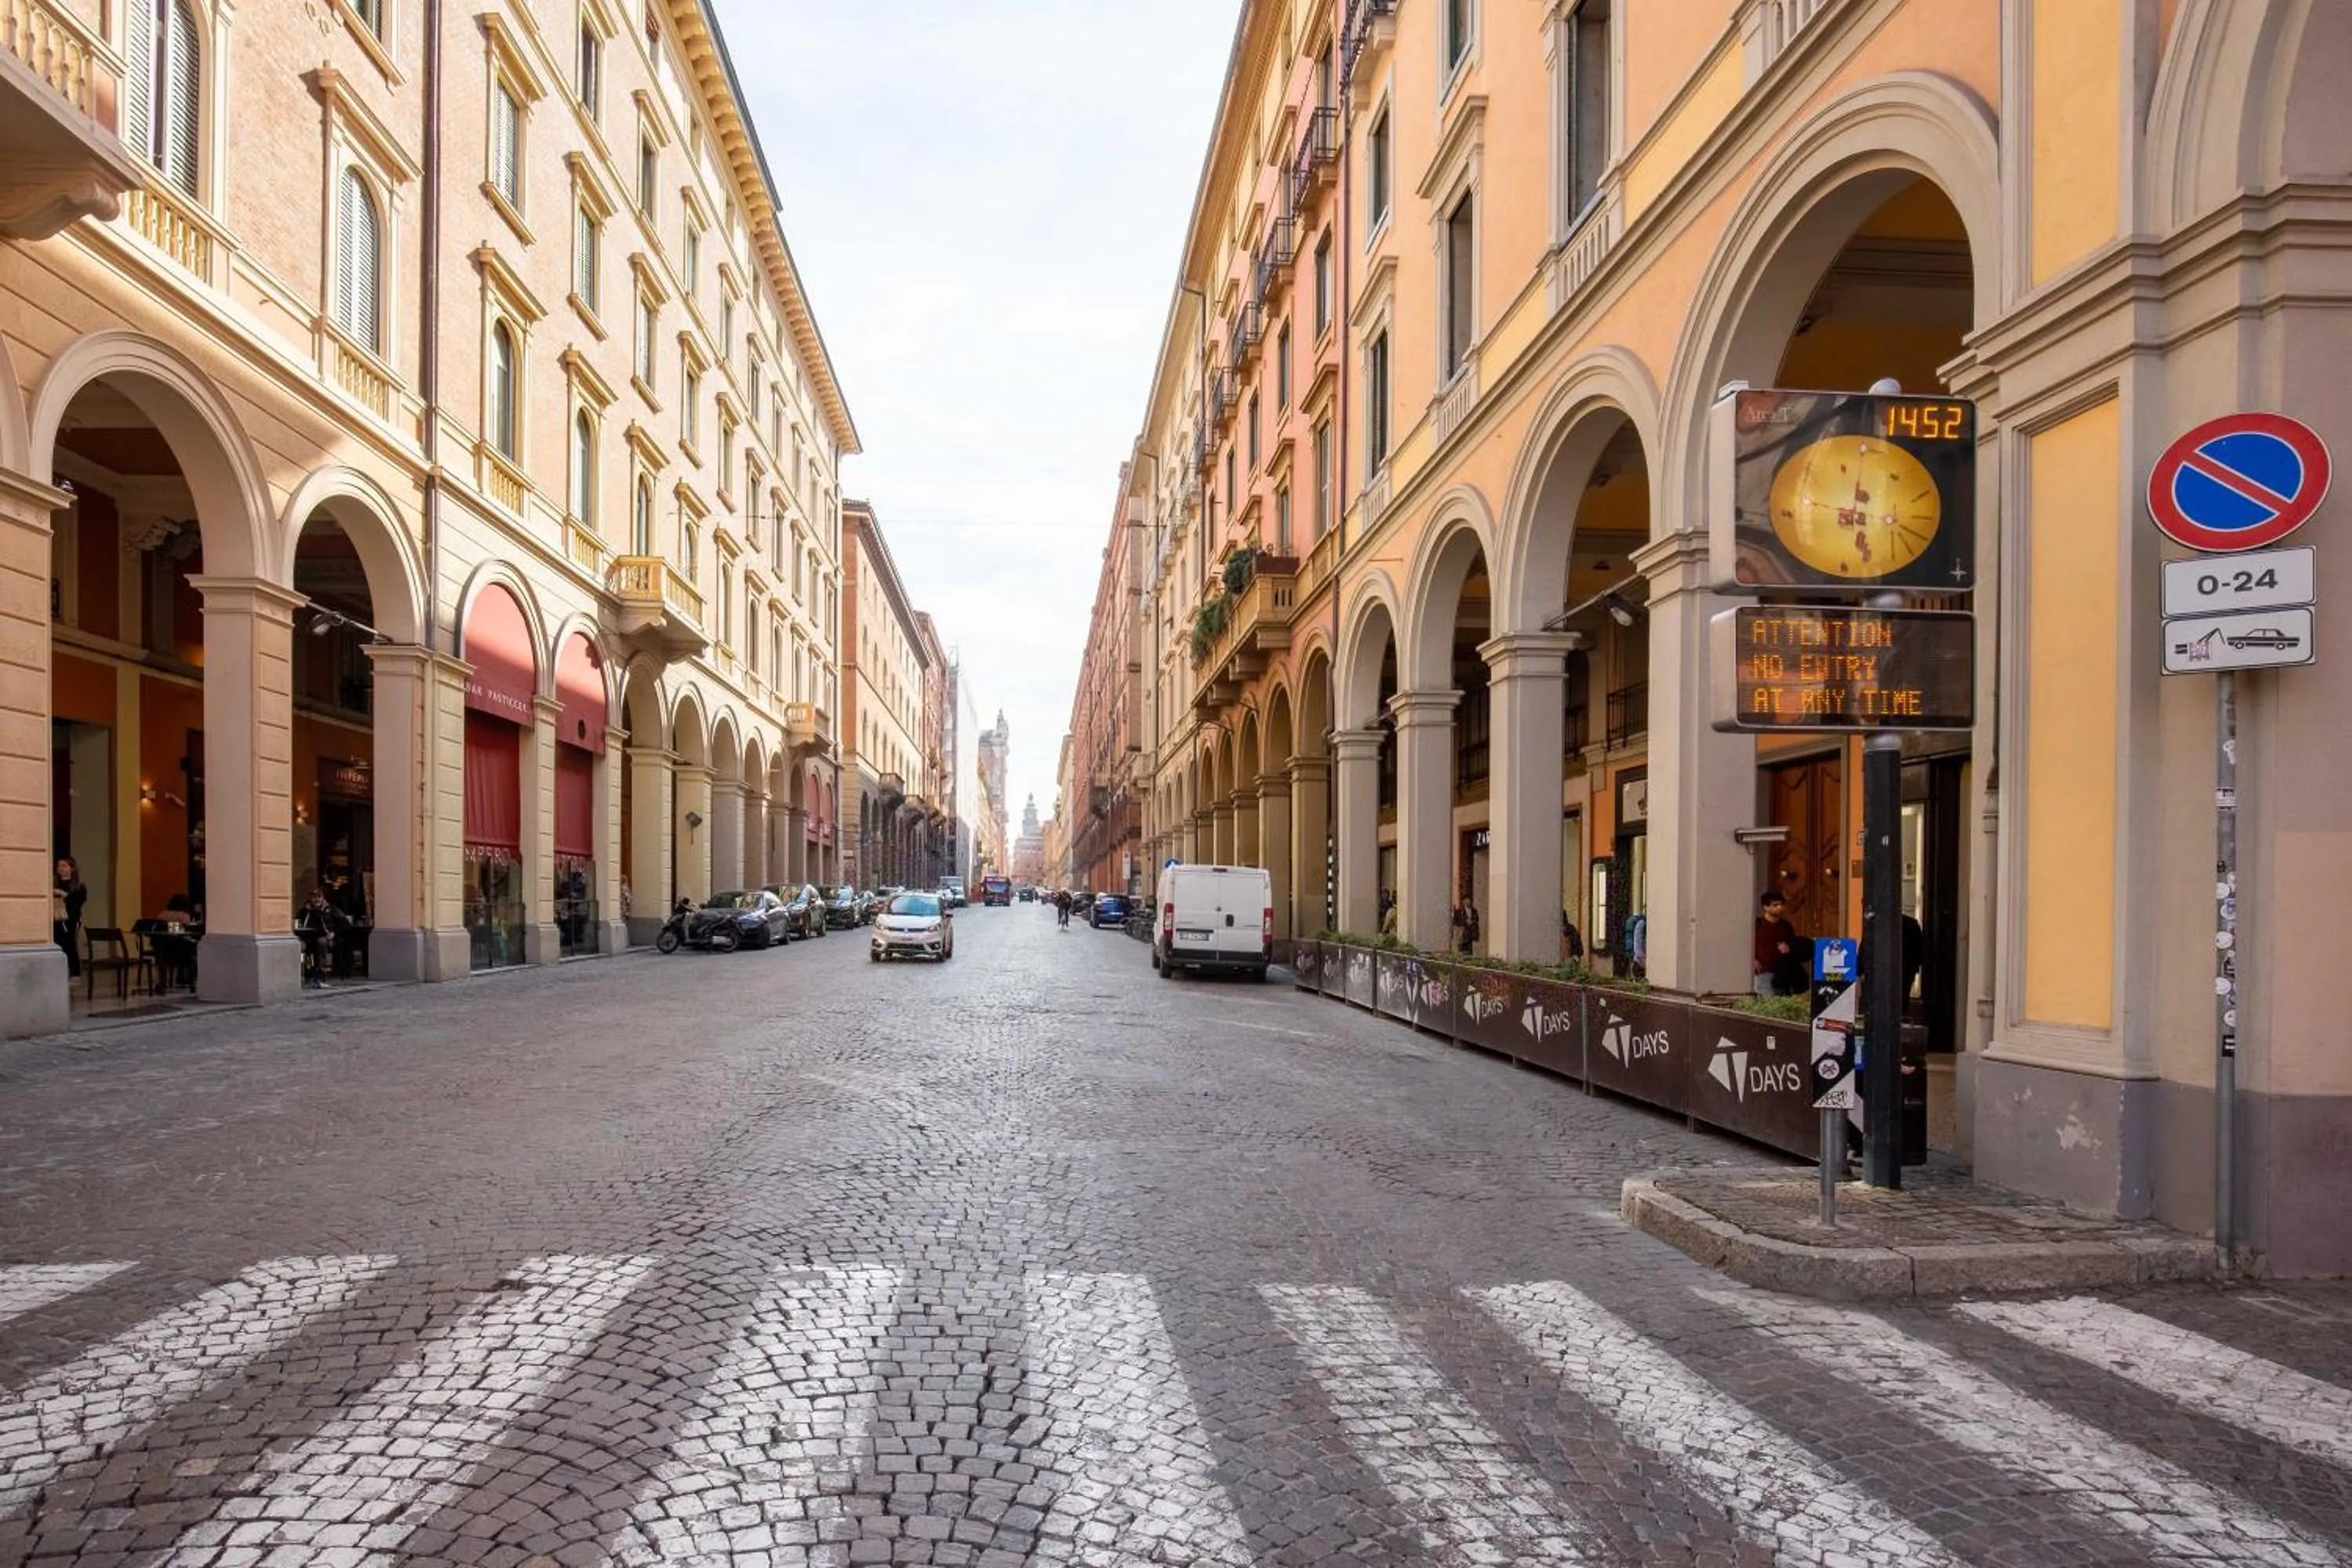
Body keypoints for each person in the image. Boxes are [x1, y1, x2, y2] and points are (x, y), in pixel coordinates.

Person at [1754, 891, 1807, 996]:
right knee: (1768, 1002)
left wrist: (1789, 949)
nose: (1779, 908)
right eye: (1775, 905)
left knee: (1782, 1001)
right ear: (1766, 907)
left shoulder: (1786, 926)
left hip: (1782, 973)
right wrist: (1753, 960)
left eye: (1781, 904)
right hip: (1763, 971)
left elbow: (1794, 945)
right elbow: (1745, 944)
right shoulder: (1757, 925)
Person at [294, 887, 347, 988]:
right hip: (308, 938)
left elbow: (343, 922)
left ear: (323, 898)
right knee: (298, 946)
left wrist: (334, 933)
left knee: (321, 943)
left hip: (326, 938)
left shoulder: (330, 909)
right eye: (314, 897)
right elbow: (298, 922)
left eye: (319, 897)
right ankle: (303, 974)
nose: (316, 899)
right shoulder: (305, 911)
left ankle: (320, 974)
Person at [53, 857, 86, 979]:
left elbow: (77, 903)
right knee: (57, 944)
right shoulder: (53, 883)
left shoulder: (78, 886)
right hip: (55, 919)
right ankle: (58, 973)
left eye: (64, 866)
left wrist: (65, 895)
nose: (61, 869)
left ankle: (75, 973)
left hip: (71, 920)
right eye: (59, 866)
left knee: (70, 945)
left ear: (72, 869)